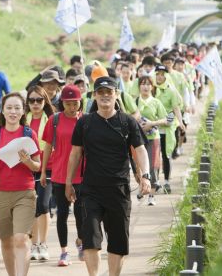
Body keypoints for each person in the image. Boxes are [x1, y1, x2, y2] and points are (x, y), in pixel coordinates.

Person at [65, 76, 151, 276]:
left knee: (118, 242)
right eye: (100, 92)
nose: (105, 96)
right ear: (94, 95)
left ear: (116, 95)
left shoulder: (127, 121)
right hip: (90, 190)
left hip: (118, 190)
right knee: (91, 240)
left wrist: (145, 176)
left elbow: (140, 150)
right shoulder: (85, 122)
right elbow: (75, 153)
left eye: (109, 92)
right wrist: (69, 182)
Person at [0, 92, 41, 276]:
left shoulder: (29, 135)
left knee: (21, 239)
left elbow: (38, 166)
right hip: (0, 193)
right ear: (2, 111)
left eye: (17, 108)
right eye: (9, 108)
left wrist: (28, 162)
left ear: (23, 112)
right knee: (6, 241)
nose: (13, 112)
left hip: (25, 192)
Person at [41, 85, 85, 266]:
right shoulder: (54, 120)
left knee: (81, 212)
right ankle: (64, 252)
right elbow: (47, 147)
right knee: (62, 214)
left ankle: (81, 241)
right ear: (62, 103)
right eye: (68, 103)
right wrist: (43, 171)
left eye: (75, 103)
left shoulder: (86, 120)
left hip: (82, 174)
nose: (72, 107)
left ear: (80, 103)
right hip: (59, 173)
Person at [25, 86, 55, 261]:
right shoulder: (23, 121)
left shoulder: (52, 120)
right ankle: (34, 244)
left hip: (48, 167)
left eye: (39, 100)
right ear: (27, 103)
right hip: (27, 168)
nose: (35, 104)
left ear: (45, 101)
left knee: (43, 205)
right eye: (32, 100)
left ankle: (43, 244)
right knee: (32, 208)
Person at [135, 76, 169, 206]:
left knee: (153, 166)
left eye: (148, 84)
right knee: (139, 167)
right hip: (138, 139)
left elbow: (166, 120)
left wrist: (151, 123)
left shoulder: (156, 102)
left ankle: (151, 195)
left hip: (153, 137)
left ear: (152, 87)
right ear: (139, 86)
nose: (145, 86)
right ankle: (142, 188)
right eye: (143, 84)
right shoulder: (135, 101)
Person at [154, 65, 185, 193]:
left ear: (166, 76)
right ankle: (155, 182)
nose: (160, 76)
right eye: (158, 74)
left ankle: (166, 181)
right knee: (155, 156)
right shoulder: (152, 89)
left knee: (166, 155)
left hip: (167, 128)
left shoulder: (171, 91)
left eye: (162, 74)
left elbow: (175, 108)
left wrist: (180, 122)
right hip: (154, 127)